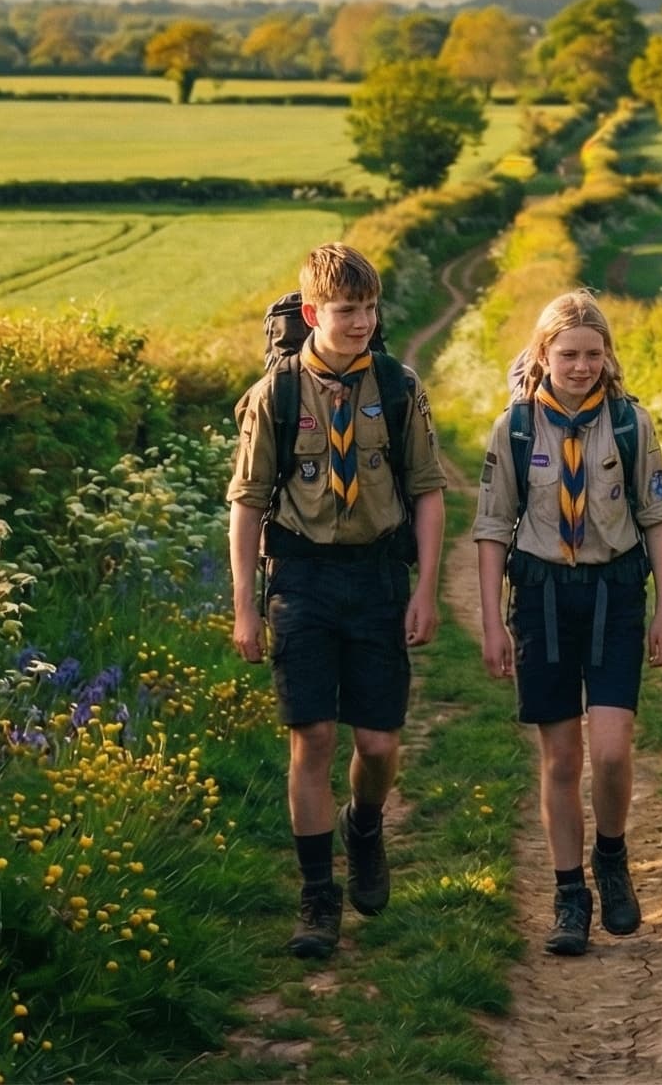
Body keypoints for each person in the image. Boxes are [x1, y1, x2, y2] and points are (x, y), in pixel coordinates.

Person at [226, 243, 445, 962]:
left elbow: (427, 491)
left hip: (378, 578)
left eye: (370, 309)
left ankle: (367, 824)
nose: (360, 323)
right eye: (346, 311)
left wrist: (424, 589)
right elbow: (248, 504)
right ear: (313, 311)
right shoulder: (278, 395)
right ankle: (317, 895)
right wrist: (245, 608)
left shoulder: (398, 384)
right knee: (313, 737)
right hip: (303, 580)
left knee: (378, 744)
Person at [475, 290, 662, 956]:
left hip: (615, 591)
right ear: (543, 355)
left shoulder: (629, 423)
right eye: (568, 354)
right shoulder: (515, 428)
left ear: (608, 357)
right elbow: (491, 528)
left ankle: (612, 857)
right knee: (562, 756)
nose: (582, 366)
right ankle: (569, 892)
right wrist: (491, 622)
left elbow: (656, 519)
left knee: (614, 749)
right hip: (541, 596)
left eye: (594, 354)